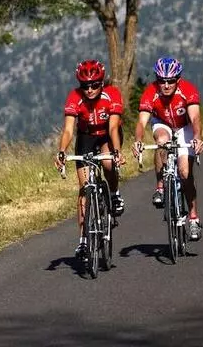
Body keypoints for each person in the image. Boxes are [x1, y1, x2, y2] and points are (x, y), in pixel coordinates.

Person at [54, 59, 126, 261]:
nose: (90, 90)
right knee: (84, 188)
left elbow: (113, 128)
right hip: (86, 136)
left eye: (95, 85)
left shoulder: (112, 94)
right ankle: (83, 241)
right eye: (86, 86)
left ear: (102, 83)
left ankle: (114, 193)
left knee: (107, 163)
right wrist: (62, 150)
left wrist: (117, 151)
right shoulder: (74, 97)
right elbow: (68, 129)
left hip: (107, 133)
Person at [132, 56, 203, 241]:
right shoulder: (151, 92)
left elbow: (196, 117)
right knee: (162, 142)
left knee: (184, 172)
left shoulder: (187, 90)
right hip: (162, 123)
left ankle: (194, 218)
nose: (166, 85)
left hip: (184, 127)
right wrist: (138, 140)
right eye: (162, 81)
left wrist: (197, 137)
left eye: (170, 81)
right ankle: (161, 187)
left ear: (178, 79)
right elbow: (142, 121)